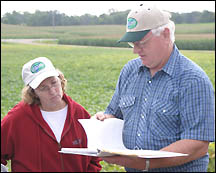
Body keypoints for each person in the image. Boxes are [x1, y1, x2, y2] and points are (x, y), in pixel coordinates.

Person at [93, 5, 215, 172]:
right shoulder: (130, 71)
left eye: (141, 43)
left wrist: (147, 163)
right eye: (132, 44)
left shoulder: (192, 80)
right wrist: (103, 119)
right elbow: (114, 114)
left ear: (165, 34)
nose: (135, 50)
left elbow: (198, 143)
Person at [1, 57, 102, 172]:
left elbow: (95, 156)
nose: (53, 91)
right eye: (43, 88)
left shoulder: (80, 114)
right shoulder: (17, 118)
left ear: (61, 80)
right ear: (33, 92)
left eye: (54, 83)